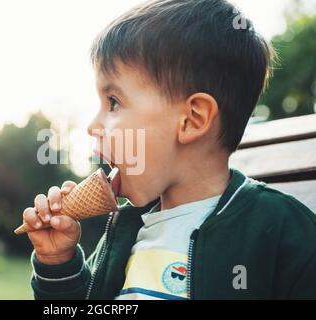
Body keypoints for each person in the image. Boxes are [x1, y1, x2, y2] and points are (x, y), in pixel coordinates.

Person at [20, 0, 316, 299]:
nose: (93, 126)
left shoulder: (281, 232)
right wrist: (58, 264)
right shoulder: (125, 229)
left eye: (113, 102)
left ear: (191, 120)